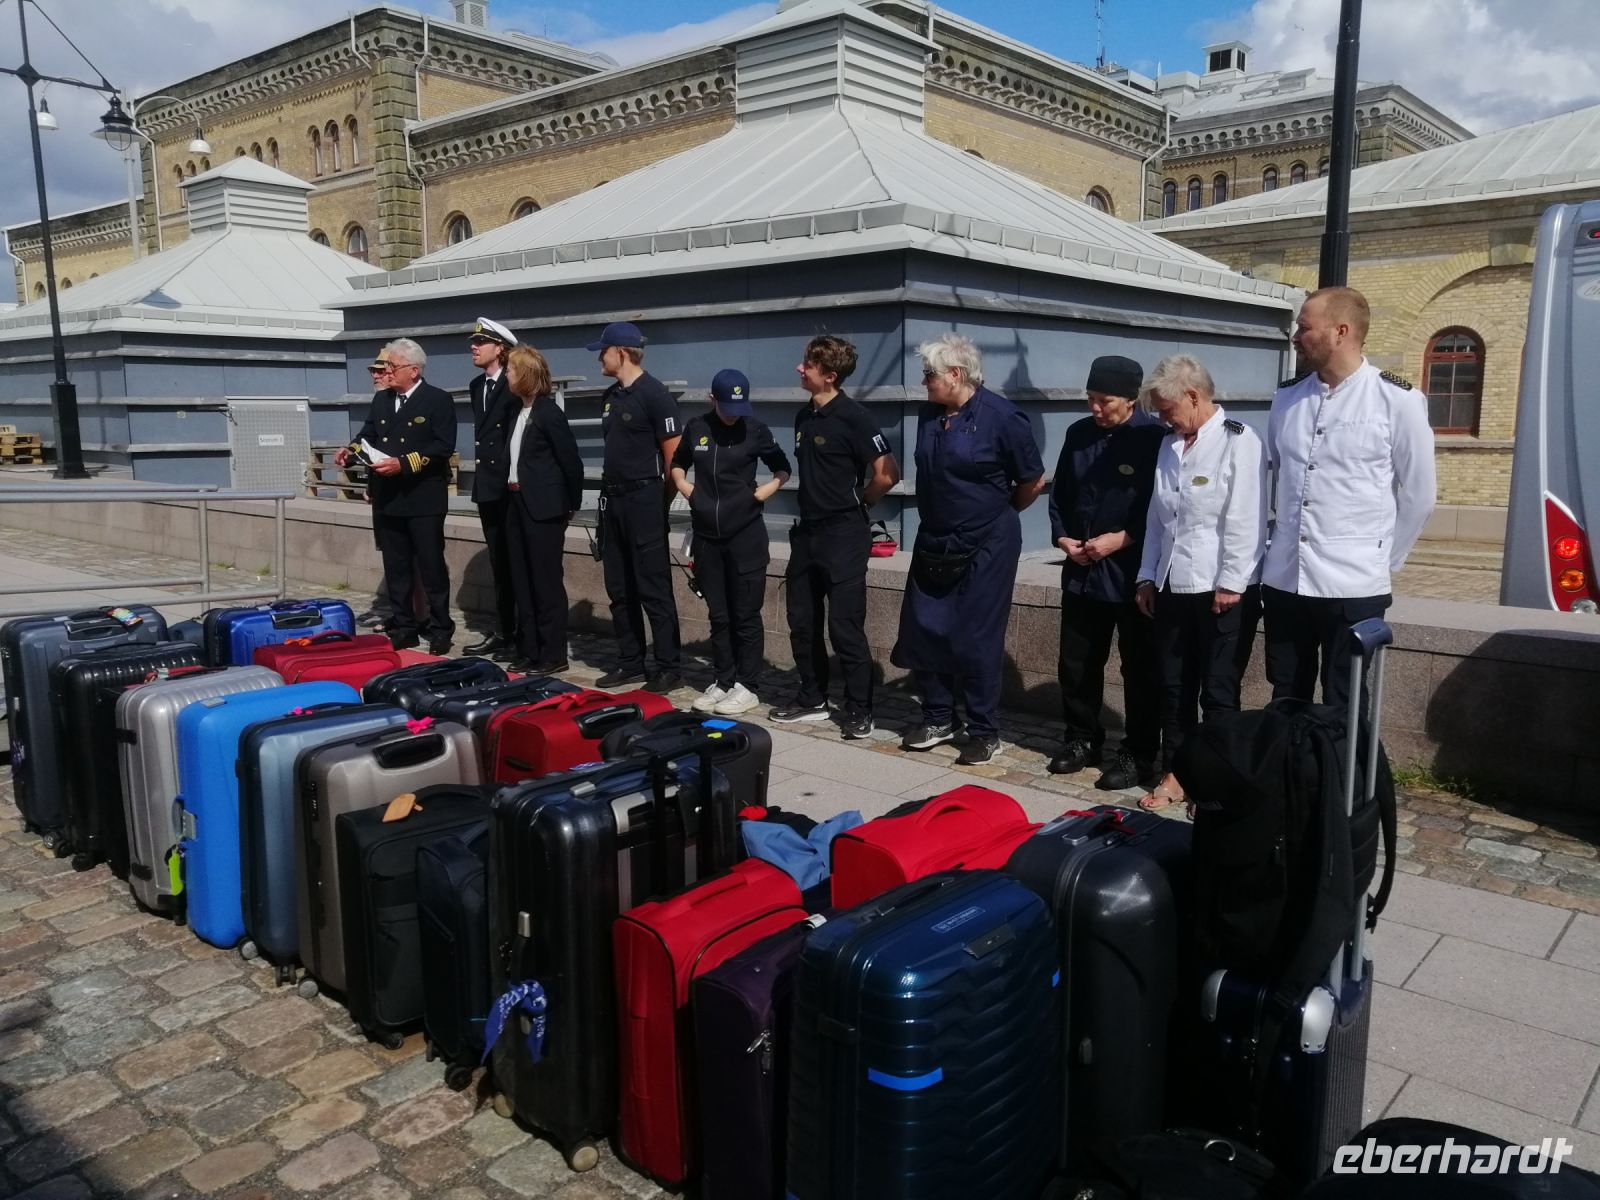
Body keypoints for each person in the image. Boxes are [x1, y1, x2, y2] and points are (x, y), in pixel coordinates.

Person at [1263, 286, 1436, 711]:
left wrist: (1382, 560)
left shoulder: (1397, 400)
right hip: (1287, 577)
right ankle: (1291, 777)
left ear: (1341, 331)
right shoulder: (1287, 398)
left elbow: (1420, 494)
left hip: (1353, 583)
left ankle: (1344, 779)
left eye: (1305, 327)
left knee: (1345, 697)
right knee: (1286, 693)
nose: (1296, 336)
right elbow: (1276, 477)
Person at [893, 333, 1046, 766]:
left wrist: (998, 514)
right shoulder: (930, 415)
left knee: (977, 635)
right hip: (935, 538)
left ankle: (984, 730)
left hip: (986, 543)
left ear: (956, 374)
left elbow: (1032, 480)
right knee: (926, 626)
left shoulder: (1003, 417)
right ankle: (939, 716)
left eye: (930, 374)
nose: (924, 382)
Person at [1133, 355, 1266, 809]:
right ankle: (1176, 772)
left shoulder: (1239, 442)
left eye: (1166, 408)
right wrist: (1147, 576)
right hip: (1173, 585)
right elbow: (1157, 519)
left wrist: (1232, 582)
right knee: (1173, 686)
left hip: (1220, 590)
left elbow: (1246, 518)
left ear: (1193, 396)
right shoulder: (1169, 445)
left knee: (1218, 689)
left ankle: (1218, 777)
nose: (1161, 417)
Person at [773, 334, 899, 738]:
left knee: (845, 625)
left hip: (844, 533)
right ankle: (812, 698)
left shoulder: (856, 417)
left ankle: (860, 709)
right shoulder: (802, 416)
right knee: (802, 620)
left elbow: (887, 473)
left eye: (807, 365)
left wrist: (861, 502)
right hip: (807, 533)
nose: (799, 369)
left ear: (829, 376)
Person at [1047, 354, 1165, 789]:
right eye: (1091, 399)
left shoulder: (1154, 437)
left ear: (1131, 400)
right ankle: (1081, 738)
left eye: (1106, 401)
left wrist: (1123, 538)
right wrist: (1063, 538)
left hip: (1132, 573)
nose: (1096, 409)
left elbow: (1162, 506)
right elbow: (1059, 494)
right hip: (1081, 570)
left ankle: (1138, 752)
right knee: (1076, 663)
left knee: (1139, 668)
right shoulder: (1078, 434)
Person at [670, 369, 792, 715]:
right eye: (726, 406)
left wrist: (764, 491)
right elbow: (678, 462)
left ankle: (748, 685)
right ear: (713, 400)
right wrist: (684, 486)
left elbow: (783, 467)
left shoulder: (755, 430)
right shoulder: (697, 427)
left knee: (745, 615)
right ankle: (723, 679)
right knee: (719, 615)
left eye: (739, 406)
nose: (733, 413)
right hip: (708, 538)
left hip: (746, 537)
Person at [335, 337, 458, 655]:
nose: (386, 370)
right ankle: (404, 627)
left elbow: (442, 447)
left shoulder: (437, 400)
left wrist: (403, 463)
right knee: (397, 567)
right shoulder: (382, 401)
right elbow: (367, 436)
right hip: (389, 498)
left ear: (414, 370)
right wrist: (349, 452)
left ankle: (440, 627)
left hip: (422, 497)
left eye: (393, 365)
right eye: (386, 365)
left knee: (431, 567)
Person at [589, 321, 683, 693]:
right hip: (614, 500)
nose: (599, 356)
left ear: (622, 353)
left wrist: (659, 503)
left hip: (645, 498)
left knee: (653, 587)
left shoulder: (655, 394)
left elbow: (673, 455)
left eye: (603, 350)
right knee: (619, 586)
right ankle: (630, 661)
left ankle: (668, 666)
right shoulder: (611, 396)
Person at [502, 344, 584, 673]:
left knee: (545, 582)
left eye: (510, 370)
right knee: (521, 579)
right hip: (516, 502)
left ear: (525, 375)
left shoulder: (549, 413)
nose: (507, 374)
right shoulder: (515, 411)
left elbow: (571, 463)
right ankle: (529, 648)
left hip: (544, 508)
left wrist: (570, 505)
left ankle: (553, 654)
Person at [464, 317, 519, 660]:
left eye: (480, 342)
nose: (473, 346)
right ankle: (504, 631)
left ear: (499, 348)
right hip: (488, 485)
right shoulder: (476, 386)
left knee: (516, 562)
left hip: (509, 485)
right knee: (500, 563)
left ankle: (520, 632)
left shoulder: (512, 385)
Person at [354, 348, 395, 630]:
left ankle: (419, 616)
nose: (376, 376)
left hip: (410, 494)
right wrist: (348, 451)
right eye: (373, 371)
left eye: (380, 370)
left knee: (416, 563)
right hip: (383, 489)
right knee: (393, 557)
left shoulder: (422, 401)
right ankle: (403, 613)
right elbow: (369, 442)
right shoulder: (381, 401)